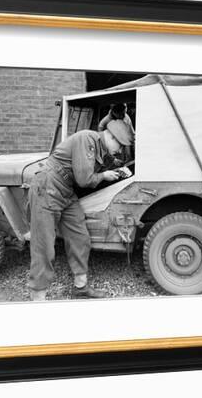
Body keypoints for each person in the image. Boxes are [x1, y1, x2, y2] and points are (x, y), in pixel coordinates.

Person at [27, 120, 134, 301]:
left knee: (80, 238)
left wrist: (118, 168)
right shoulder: (87, 139)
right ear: (111, 137)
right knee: (44, 246)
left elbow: (105, 162)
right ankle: (38, 298)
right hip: (48, 188)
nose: (120, 150)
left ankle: (80, 287)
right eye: (120, 146)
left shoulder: (101, 147)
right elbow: (85, 180)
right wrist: (104, 176)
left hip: (66, 191)